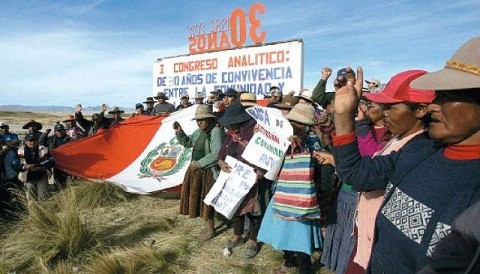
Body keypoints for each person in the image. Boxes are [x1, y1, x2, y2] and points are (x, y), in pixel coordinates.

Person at [316, 37, 480, 272]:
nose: (434, 105)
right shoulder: (419, 150)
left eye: (448, 96)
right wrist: (343, 115)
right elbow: (357, 174)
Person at [348, 70, 435, 272]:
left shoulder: (418, 148)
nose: (384, 113)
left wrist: (345, 117)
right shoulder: (397, 138)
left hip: (384, 246)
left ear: (421, 110)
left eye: (391, 107)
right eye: (383, 106)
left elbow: (359, 174)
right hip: (371, 236)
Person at [258, 103, 323, 274]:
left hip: (301, 196)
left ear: (308, 127)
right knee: (283, 230)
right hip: (282, 191)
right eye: (293, 122)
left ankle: (305, 269)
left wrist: (301, 147)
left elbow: (316, 165)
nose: (295, 126)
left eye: (300, 124)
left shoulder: (312, 141)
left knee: (300, 236)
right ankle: (288, 262)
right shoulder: (282, 139)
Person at [217, 102, 264, 259]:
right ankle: (237, 236)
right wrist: (220, 161)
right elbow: (223, 149)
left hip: (252, 176)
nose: (230, 124)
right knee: (235, 206)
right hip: (234, 176)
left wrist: (261, 171)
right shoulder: (231, 132)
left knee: (253, 210)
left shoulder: (256, 130)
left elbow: (265, 152)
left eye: (233, 121)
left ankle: (252, 240)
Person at [174, 105, 224, 242]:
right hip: (197, 170)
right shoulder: (198, 132)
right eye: (198, 120)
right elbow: (188, 143)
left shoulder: (215, 132)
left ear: (209, 119)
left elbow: (216, 154)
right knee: (200, 199)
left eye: (202, 120)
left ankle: (210, 229)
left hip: (208, 171)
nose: (199, 122)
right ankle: (207, 226)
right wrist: (179, 132)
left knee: (207, 200)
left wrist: (199, 164)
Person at [19, 134, 54, 202]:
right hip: (27, 177)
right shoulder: (20, 151)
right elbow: (15, 165)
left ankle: (42, 212)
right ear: (26, 142)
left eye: (34, 140)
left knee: (43, 198)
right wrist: (26, 166)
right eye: (30, 140)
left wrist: (40, 165)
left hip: (41, 175)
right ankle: (33, 212)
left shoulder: (43, 149)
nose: (33, 142)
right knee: (30, 199)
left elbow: (51, 161)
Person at [47, 123, 72, 189]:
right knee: (57, 181)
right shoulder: (51, 139)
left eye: (61, 130)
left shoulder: (70, 139)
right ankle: (59, 193)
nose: (59, 132)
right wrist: (46, 133)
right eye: (57, 131)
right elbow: (41, 142)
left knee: (67, 181)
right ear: (55, 132)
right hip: (55, 163)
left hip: (67, 163)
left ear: (64, 130)